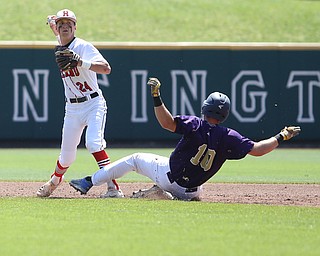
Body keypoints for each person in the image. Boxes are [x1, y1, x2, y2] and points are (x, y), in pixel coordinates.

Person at [69, 77, 301, 201]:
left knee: (135, 159)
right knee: (186, 184)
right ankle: (161, 192)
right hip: (193, 192)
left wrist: (157, 98)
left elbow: (167, 123)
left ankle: (90, 180)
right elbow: (259, 149)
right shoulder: (230, 136)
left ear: (205, 107)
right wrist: (281, 135)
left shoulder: (196, 124)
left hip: (170, 178)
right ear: (224, 114)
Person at [37, 9, 123, 198]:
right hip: (72, 108)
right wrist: (52, 21)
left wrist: (81, 62)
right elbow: (57, 30)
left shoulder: (84, 47)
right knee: (67, 156)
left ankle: (114, 188)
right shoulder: (60, 41)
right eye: (61, 24)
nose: (64, 26)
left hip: (93, 103)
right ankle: (55, 181)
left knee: (93, 143)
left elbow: (106, 68)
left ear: (75, 27)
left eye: (69, 24)